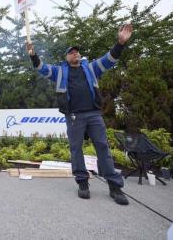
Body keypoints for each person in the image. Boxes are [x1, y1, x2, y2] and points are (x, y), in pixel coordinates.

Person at [25, 24, 133, 205]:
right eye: (71, 52)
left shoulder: (90, 68)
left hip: (94, 114)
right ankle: (82, 183)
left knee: (103, 147)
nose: (75, 54)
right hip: (74, 116)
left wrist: (120, 43)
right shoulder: (59, 71)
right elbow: (42, 68)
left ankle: (114, 186)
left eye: (77, 52)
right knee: (76, 149)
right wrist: (33, 55)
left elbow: (109, 59)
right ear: (66, 57)